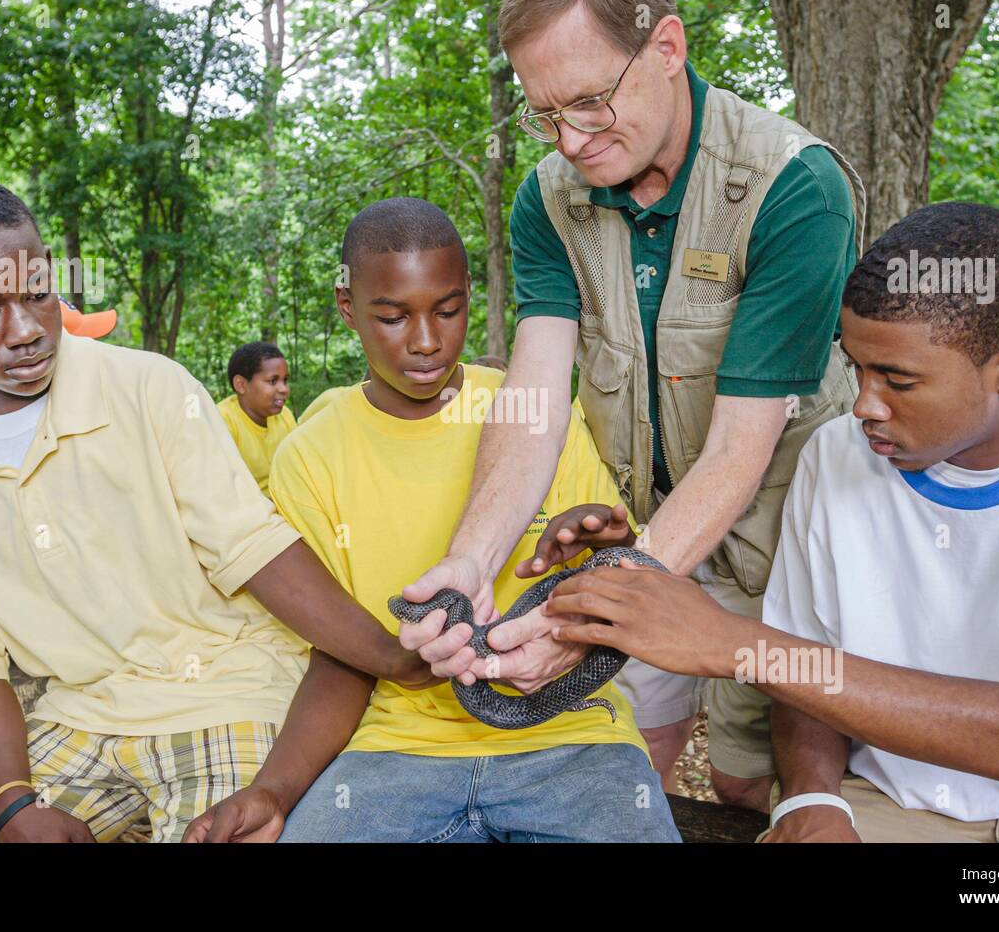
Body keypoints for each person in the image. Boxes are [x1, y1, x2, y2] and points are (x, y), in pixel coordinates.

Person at [399, 0, 865, 807]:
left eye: (589, 102)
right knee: (631, 756)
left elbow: (737, 453)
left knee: (755, 780)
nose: (570, 141)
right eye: (544, 114)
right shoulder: (547, 198)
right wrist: (472, 558)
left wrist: (591, 619)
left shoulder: (793, 186)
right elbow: (533, 400)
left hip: (780, 542)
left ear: (668, 48)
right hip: (643, 531)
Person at [540, 202, 999, 842]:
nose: (864, 405)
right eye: (855, 368)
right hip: (893, 805)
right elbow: (810, 666)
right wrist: (809, 799)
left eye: (897, 381)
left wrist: (735, 644)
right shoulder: (835, 456)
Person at [0, 178, 427, 843]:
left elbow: (253, 547)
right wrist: (11, 806)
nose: (25, 331)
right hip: (74, 718)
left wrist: (394, 658)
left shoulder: (148, 388)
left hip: (229, 694)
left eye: (39, 292)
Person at [190, 197, 679, 842]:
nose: (426, 341)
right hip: (393, 752)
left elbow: (619, 604)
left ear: (470, 297)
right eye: (392, 318)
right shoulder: (310, 454)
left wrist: (607, 550)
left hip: (574, 736)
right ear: (348, 309)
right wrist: (274, 792)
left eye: (448, 311)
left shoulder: (533, 413)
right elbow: (342, 657)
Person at [216, 341, 296, 489]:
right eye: (273, 381)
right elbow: (221, 488)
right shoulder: (221, 421)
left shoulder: (284, 415)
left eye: (285, 380)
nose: (284, 389)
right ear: (241, 384)